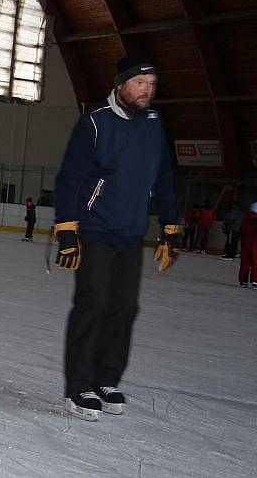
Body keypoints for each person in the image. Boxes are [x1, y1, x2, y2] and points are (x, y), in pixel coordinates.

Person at [53, 56, 182, 422]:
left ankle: (106, 378)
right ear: (122, 84)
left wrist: (170, 226)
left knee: (124, 307)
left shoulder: (154, 125)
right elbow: (70, 179)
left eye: (152, 84)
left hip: (130, 234)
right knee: (93, 303)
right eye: (141, 83)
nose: (148, 91)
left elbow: (163, 178)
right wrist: (66, 230)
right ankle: (79, 387)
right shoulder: (95, 124)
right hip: (95, 230)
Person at [238, 203, 257, 287]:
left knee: (245, 263)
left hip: (245, 243)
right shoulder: (256, 220)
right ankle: (254, 280)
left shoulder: (245, 219)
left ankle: (243, 280)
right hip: (254, 243)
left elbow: (241, 231)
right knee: (255, 262)